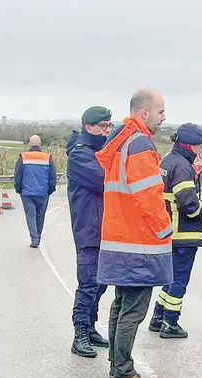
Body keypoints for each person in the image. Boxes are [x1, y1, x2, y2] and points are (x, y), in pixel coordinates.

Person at [96, 88, 172, 378]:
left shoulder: (121, 142)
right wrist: (165, 227)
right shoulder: (140, 144)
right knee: (133, 310)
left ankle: (117, 366)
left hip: (119, 239)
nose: (164, 117)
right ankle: (124, 371)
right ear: (145, 113)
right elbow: (149, 195)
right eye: (161, 111)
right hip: (139, 242)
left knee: (121, 305)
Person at [148, 123, 202, 339]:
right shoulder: (183, 166)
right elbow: (188, 203)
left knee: (170, 277)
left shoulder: (167, 161)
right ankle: (170, 323)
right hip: (183, 232)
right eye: (199, 146)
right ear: (192, 145)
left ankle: (157, 318)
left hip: (168, 231)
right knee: (179, 280)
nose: (200, 151)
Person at [66, 106, 113, 358]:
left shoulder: (99, 151)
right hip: (88, 227)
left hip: (105, 226)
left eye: (109, 126)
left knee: (101, 281)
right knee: (88, 282)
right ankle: (80, 332)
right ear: (89, 127)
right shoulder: (80, 154)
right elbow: (103, 180)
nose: (107, 131)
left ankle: (91, 324)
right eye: (103, 126)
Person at [14, 134, 57, 248]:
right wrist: (50, 189)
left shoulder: (23, 157)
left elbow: (18, 175)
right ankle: (38, 236)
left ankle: (34, 238)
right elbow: (53, 176)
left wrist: (18, 189)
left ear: (29, 144)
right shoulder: (47, 157)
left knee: (31, 216)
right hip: (43, 193)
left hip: (27, 193)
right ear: (40, 143)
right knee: (40, 216)